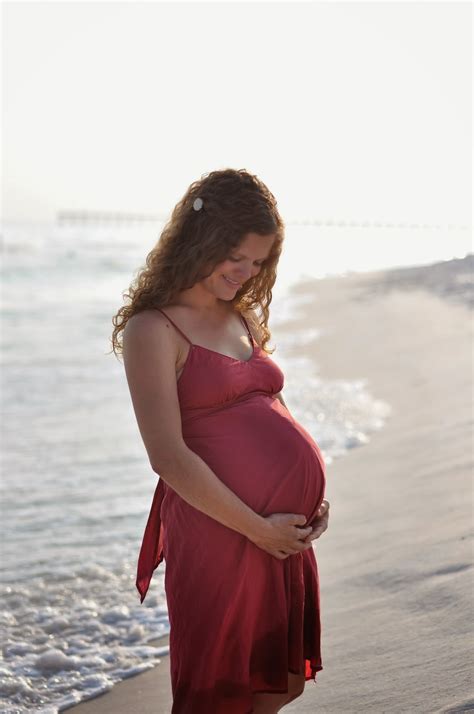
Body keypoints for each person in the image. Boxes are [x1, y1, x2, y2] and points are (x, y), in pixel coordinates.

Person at [110, 168, 330, 713]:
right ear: (201, 240)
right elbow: (167, 456)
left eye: (258, 262)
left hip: (280, 533)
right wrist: (258, 529)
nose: (246, 273)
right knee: (219, 690)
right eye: (237, 257)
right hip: (223, 530)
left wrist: (313, 501)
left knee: (279, 681)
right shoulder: (153, 329)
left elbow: (270, 407)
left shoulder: (243, 316)